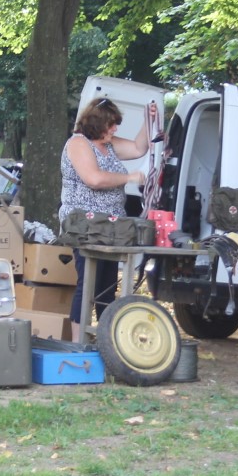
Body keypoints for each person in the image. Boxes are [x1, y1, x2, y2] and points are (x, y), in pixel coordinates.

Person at [61, 97, 150, 325]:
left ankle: (105, 339)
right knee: (89, 285)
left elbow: (139, 148)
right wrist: (128, 177)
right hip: (86, 226)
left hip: (111, 226)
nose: (115, 128)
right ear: (97, 124)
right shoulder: (78, 143)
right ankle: (78, 344)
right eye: (111, 124)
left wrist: (148, 120)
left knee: (107, 286)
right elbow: (94, 179)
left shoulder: (108, 143)